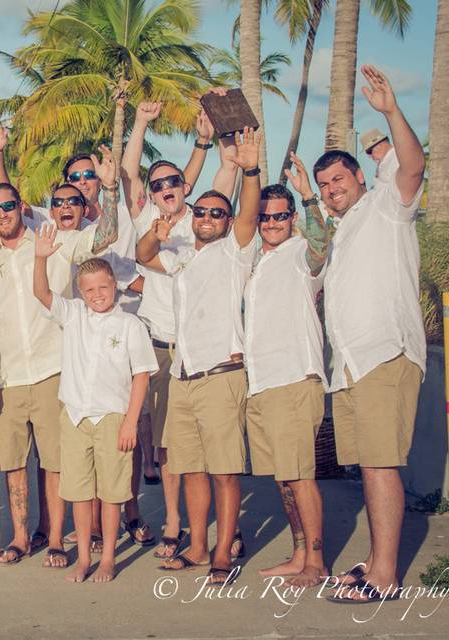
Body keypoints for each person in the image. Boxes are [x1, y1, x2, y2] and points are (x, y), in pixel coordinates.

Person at [0, 144, 119, 569]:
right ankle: (22, 537)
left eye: (8, 206)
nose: (2, 214)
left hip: (53, 368)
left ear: (21, 207)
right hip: (8, 374)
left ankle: (56, 538)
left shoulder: (57, 241)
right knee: (14, 463)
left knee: (56, 461)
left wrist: (109, 190)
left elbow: (105, 236)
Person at [316, 65, 426, 604]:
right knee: (369, 466)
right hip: (353, 365)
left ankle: (385, 576)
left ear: (360, 177)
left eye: (339, 180)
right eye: (324, 186)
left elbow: (412, 165)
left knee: (382, 463)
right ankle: (376, 561)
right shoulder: (345, 229)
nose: (332, 190)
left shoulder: (388, 207)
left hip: (386, 354)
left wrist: (388, 111)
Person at [136, 127, 262, 586]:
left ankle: (224, 554)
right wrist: (158, 233)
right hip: (185, 375)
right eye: (203, 211)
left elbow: (249, 211)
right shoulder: (183, 255)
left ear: (227, 222)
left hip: (222, 374)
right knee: (190, 468)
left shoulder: (236, 252)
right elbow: (142, 255)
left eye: (217, 213)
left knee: (224, 471)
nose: (208, 217)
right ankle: (197, 545)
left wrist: (249, 168)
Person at [121, 98, 238, 560]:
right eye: (159, 184)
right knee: (171, 444)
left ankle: (219, 532)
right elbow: (129, 173)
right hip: (161, 347)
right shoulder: (145, 224)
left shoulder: (206, 219)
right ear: (151, 195)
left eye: (174, 181)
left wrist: (211, 137)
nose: (166, 187)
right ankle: (174, 522)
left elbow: (230, 171)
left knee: (215, 448)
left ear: (184, 187)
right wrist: (141, 122)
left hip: (207, 351)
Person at [33, 227, 157, 583]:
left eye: (103, 287)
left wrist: (131, 422)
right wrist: (40, 257)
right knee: (80, 492)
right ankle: (84, 558)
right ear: (80, 292)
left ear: (114, 285)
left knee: (112, 491)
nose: (97, 295)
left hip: (112, 417)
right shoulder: (73, 314)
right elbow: (41, 293)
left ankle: (108, 559)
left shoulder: (130, 324)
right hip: (74, 416)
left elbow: (141, 376)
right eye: (89, 290)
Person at [244, 158, 330, 588]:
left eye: (280, 215)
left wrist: (309, 197)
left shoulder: (300, 251)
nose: (272, 223)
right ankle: (299, 554)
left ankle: (316, 562)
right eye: (265, 216)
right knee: (284, 477)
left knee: (301, 474)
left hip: (295, 376)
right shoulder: (257, 260)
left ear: (292, 217)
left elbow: (322, 246)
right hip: (260, 383)